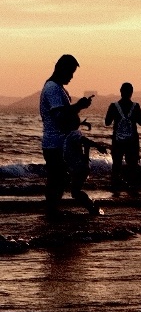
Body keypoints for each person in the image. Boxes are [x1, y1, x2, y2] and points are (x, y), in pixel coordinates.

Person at [39, 55, 94, 217]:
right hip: (55, 143)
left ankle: (52, 211)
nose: (71, 76)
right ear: (61, 69)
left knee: (59, 179)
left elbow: (65, 115)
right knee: (56, 179)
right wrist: (79, 106)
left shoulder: (58, 88)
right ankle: (51, 212)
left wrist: (77, 108)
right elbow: (60, 116)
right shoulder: (53, 89)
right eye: (70, 72)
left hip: (59, 143)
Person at [105, 83, 141, 197]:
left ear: (120, 91)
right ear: (131, 93)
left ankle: (115, 190)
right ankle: (132, 190)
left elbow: (107, 122)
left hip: (117, 141)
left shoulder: (114, 106)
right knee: (132, 164)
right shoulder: (136, 106)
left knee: (116, 164)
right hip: (132, 141)